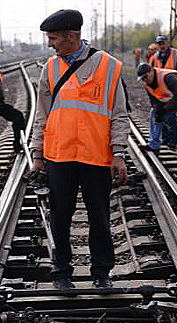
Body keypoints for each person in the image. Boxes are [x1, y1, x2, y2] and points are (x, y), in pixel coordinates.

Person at [30, 9, 129, 290]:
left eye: (53, 38)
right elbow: (42, 116)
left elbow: (119, 114)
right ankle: (61, 273)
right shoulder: (49, 69)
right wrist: (38, 155)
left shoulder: (109, 66)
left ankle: (101, 274)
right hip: (59, 155)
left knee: (100, 217)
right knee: (60, 216)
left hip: (96, 155)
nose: (50, 44)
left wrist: (119, 153)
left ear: (72, 36)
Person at [137, 63, 177, 167]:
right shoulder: (147, 84)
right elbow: (154, 100)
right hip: (172, 99)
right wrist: (159, 111)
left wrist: (165, 110)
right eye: (142, 79)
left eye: (146, 77)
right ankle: (153, 145)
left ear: (152, 71)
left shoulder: (168, 77)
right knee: (155, 114)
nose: (145, 80)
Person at [148, 35, 177, 150]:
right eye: (159, 44)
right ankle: (164, 139)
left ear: (167, 43)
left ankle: (172, 141)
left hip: (173, 89)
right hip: (161, 90)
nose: (161, 46)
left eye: (163, 43)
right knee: (160, 113)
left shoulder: (176, 54)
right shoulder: (155, 57)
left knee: (170, 115)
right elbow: (150, 72)